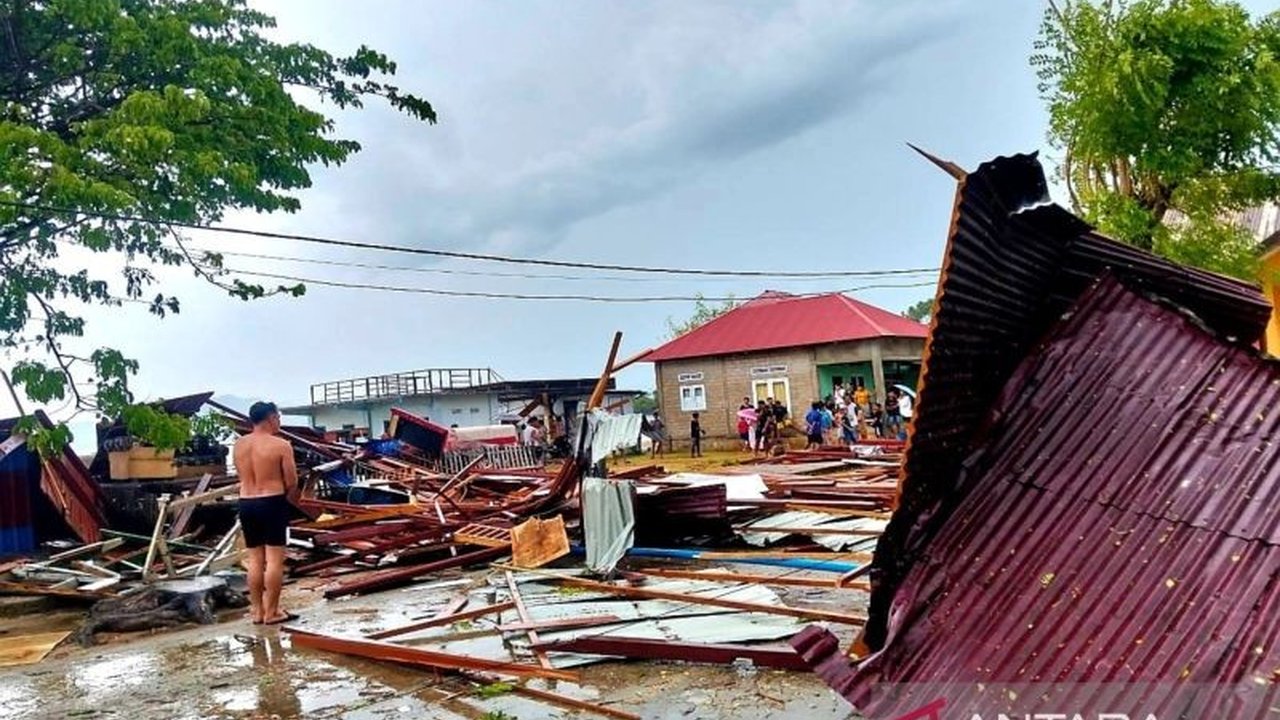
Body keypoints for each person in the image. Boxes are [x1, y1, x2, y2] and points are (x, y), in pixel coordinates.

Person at [233, 401, 299, 626]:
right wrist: (288, 499)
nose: (279, 421)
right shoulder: (281, 445)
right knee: (274, 560)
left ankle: (257, 612)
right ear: (271, 418)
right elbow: (292, 481)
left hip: (246, 502)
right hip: (271, 501)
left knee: (254, 559)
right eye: (278, 417)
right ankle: (272, 612)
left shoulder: (239, 445)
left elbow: (240, 476)